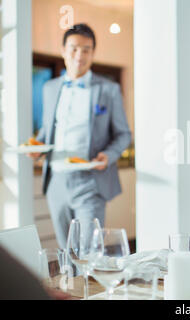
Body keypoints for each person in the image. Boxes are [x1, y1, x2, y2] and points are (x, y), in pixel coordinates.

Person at [29, 24, 131, 248]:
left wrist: (109, 154)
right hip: (56, 181)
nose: (80, 55)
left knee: (89, 250)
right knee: (66, 251)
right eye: (74, 48)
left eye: (86, 49)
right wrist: (37, 148)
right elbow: (47, 131)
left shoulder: (108, 89)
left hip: (90, 181)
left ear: (93, 53)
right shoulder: (50, 88)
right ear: (64, 50)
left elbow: (123, 134)